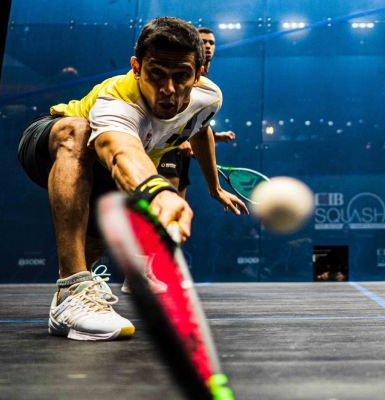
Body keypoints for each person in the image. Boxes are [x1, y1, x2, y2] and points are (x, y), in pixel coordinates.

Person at [17, 17, 248, 341]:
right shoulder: (118, 100)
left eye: (181, 76)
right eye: (156, 73)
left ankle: (67, 305)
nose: (168, 90)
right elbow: (120, 152)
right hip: (52, 143)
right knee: (78, 131)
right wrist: (160, 193)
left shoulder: (208, 98)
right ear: (137, 67)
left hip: (104, 175)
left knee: (99, 236)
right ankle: (72, 288)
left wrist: (215, 188)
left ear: (197, 76)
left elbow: (200, 130)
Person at [157, 26, 235, 197]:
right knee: (165, 206)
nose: (207, 46)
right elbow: (166, 111)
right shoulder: (181, 74)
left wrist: (215, 136)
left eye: (211, 43)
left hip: (181, 152)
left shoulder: (204, 79)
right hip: (166, 147)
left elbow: (196, 124)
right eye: (203, 41)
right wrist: (180, 139)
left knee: (179, 207)